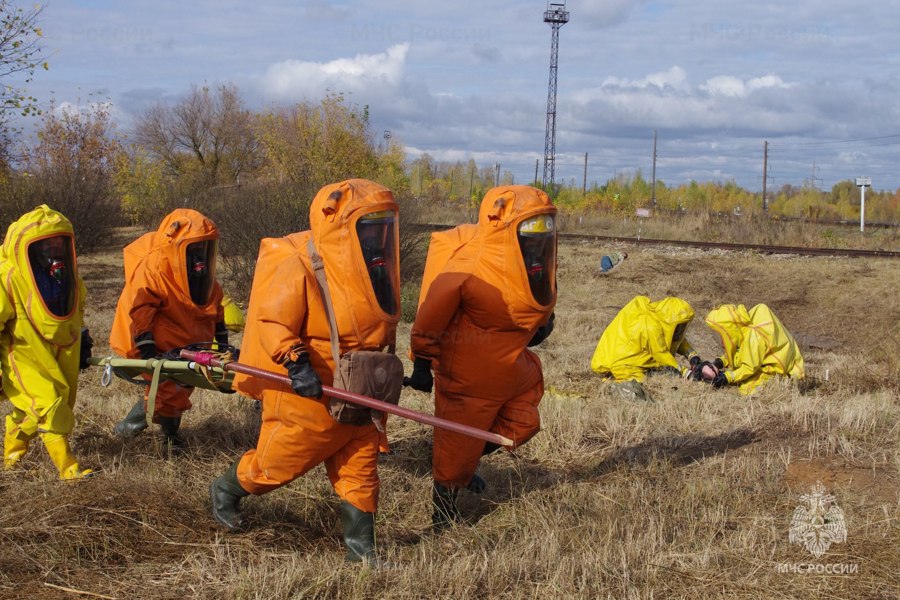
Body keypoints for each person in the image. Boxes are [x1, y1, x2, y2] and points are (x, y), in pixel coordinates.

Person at [208, 179, 401, 565]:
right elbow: (271, 320)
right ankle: (226, 490)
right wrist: (296, 363)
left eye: (383, 227)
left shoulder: (373, 267)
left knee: (361, 470)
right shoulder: (298, 260)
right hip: (310, 392)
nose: (379, 236)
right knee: (276, 466)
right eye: (371, 226)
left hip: (361, 390)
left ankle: (361, 549)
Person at [407, 185, 557, 531]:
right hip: (467, 378)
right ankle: (442, 519)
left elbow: (538, 302)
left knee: (524, 424)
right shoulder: (469, 264)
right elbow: (430, 317)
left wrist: (541, 326)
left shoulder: (530, 259)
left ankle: (468, 460)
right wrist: (421, 362)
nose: (536, 242)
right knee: (454, 454)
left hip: (515, 371)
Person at [109, 208, 227, 451]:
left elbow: (215, 304)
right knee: (169, 391)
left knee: (179, 386)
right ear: (178, 250)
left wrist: (222, 339)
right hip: (157, 342)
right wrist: (146, 345)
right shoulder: (155, 272)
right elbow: (141, 311)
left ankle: (131, 426)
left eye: (205, 250)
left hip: (190, 343)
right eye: (195, 252)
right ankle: (170, 438)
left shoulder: (204, 280)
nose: (200, 260)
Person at [1, 205, 95, 480]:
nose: (53, 251)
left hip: (61, 349)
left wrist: (83, 338)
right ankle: (68, 468)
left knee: (39, 410)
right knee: (50, 405)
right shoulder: (7, 276)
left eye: (58, 244)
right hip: (24, 353)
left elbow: (77, 309)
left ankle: (11, 457)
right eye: (47, 245)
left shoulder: (69, 278)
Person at [590, 296, 701, 401]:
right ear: (670, 321)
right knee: (638, 385)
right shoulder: (651, 326)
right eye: (681, 325)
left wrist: (692, 356)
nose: (681, 328)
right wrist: (685, 372)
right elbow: (660, 354)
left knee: (661, 373)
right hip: (624, 364)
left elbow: (679, 341)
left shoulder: (665, 325)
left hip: (640, 362)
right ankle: (611, 384)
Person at [702, 303, 805, 394]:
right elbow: (740, 353)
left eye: (722, 335)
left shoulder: (752, 337)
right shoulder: (742, 331)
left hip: (781, 371)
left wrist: (726, 378)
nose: (722, 340)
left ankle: (784, 384)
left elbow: (749, 367)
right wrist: (720, 362)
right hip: (764, 364)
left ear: (730, 330)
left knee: (747, 388)